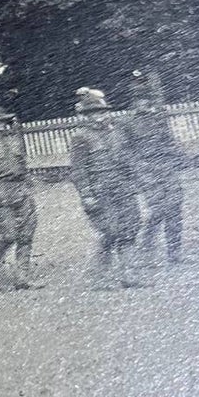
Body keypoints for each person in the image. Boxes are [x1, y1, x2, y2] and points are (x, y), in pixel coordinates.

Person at [68, 89, 144, 288]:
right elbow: (78, 171)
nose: (101, 116)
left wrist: (136, 182)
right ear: (87, 115)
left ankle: (129, 275)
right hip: (100, 192)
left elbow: (128, 160)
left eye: (104, 112)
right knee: (109, 232)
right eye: (96, 113)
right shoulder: (81, 137)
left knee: (130, 230)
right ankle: (98, 278)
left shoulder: (117, 132)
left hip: (123, 189)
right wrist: (86, 195)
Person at [0, 103, 44, 291]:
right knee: (8, 235)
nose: (2, 124)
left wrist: (28, 181)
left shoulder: (15, 140)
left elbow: (22, 165)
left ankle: (23, 278)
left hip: (20, 191)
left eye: (4, 120)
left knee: (27, 234)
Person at [125, 83, 185, 264]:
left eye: (146, 99)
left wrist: (176, 155)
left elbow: (170, 141)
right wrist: (138, 167)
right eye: (139, 100)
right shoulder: (127, 123)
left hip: (167, 168)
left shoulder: (158, 119)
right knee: (157, 211)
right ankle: (146, 252)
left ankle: (174, 254)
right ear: (134, 103)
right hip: (146, 172)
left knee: (175, 210)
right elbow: (125, 151)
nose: (143, 103)